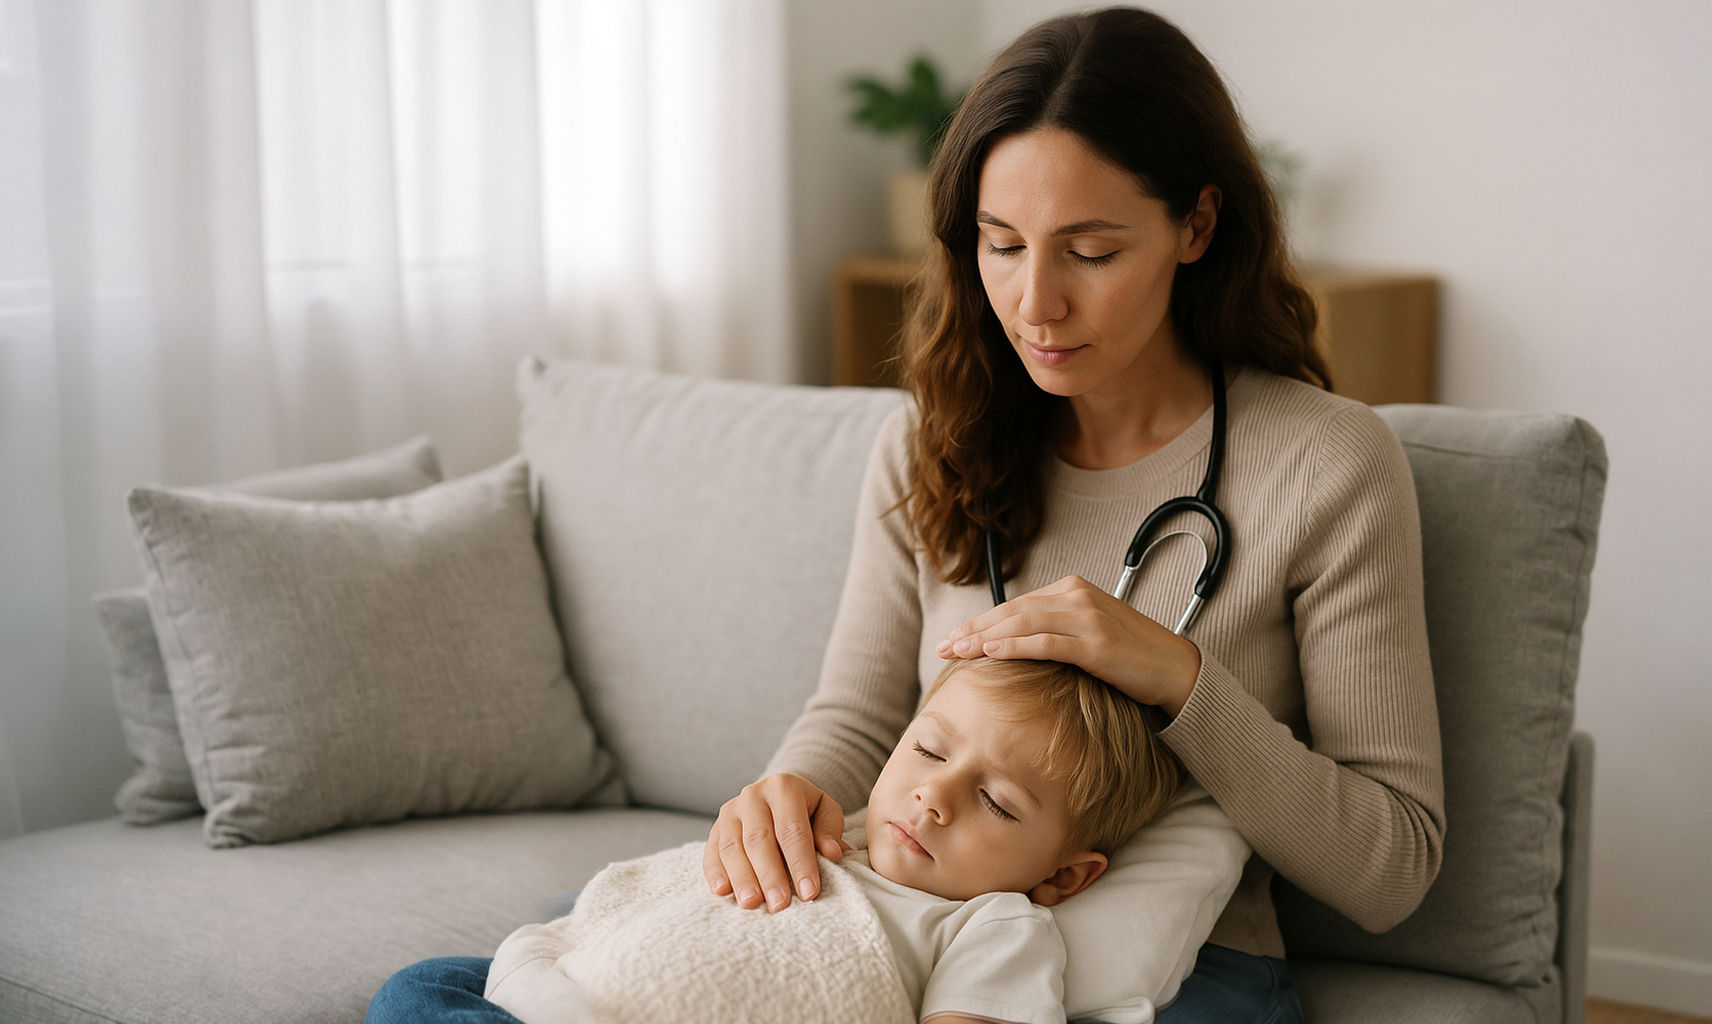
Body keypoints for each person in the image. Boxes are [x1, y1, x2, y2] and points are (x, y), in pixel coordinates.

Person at [712, 6, 1445, 1021]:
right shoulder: (932, 438)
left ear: (1196, 226)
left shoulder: (1327, 465)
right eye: (1000, 244)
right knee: (454, 992)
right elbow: (860, 715)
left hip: (1181, 973)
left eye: (1090, 253)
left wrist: (1180, 680)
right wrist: (783, 795)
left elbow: (1392, 864)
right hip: (919, 928)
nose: (1034, 304)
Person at [367, 657, 1184, 1024]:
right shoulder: (849, 832)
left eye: (998, 803)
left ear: (1064, 878)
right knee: (423, 985)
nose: (934, 796)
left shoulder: (997, 924)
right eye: (930, 751)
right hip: (584, 991)